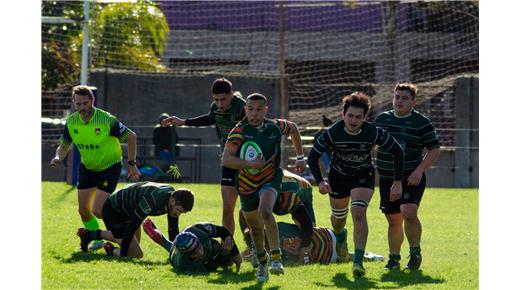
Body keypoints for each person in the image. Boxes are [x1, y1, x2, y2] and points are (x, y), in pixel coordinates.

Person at [307, 92, 404, 278]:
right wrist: (320, 181)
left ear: (365, 117)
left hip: (363, 175)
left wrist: (397, 182)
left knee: (358, 213)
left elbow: (397, 151)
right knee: (338, 220)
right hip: (338, 177)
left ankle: (358, 262)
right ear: (343, 114)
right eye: (350, 116)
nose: (353, 120)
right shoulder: (333, 132)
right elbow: (313, 156)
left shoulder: (373, 132)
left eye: (358, 117)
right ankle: (341, 237)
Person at [222, 93, 305, 282]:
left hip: (270, 178)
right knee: (256, 230)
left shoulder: (274, 126)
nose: (254, 114)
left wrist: (300, 157)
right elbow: (227, 159)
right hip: (246, 185)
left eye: (259, 110)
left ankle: (276, 258)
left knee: (266, 211)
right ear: (245, 110)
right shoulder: (239, 130)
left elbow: (293, 128)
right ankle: (262, 261)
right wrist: (250, 164)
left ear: (265, 110)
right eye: (250, 109)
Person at [50, 85, 141, 251]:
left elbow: (131, 137)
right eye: (78, 104)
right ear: (73, 103)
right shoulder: (72, 122)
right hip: (88, 168)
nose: (82, 108)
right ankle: (97, 239)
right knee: (84, 210)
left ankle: (125, 226)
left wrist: (131, 163)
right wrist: (57, 157)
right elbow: (63, 146)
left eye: (86, 103)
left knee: (98, 210)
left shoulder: (106, 120)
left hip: (109, 167)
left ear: (92, 100)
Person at [164, 78, 245, 236]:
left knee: (248, 209)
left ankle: (254, 247)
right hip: (228, 162)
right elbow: (209, 118)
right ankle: (228, 246)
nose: (220, 104)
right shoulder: (215, 107)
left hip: (245, 162)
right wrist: (183, 122)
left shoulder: (243, 108)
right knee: (228, 207)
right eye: (216, 100)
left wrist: (236, 151)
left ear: (232, 95)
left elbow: (252, 135)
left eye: (223, 99)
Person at [375, 83, 440, 271]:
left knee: (409, 213)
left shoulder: (422, 122)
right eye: (397, 97)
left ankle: (415, 254)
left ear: (413, 102)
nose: (399, 101)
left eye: (404, 98)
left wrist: (419, 170)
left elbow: (434, 149)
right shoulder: (382, 119)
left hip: (412, 177)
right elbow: (372, 143)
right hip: (387, 178)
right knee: (393, 219)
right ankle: (394, 259)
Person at [76, 181, 194, 258]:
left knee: (132, 242)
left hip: (129, 211)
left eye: (181, 213)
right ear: (173, 201)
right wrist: (123, 254)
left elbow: (173, 229)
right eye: (179, 211)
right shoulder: (152, 200)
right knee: (135, 254)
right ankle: (111, 250)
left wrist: (176, 254)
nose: (178, 214)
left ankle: (89, 235)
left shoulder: (172, 197)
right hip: (114, 211)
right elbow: (132, 226)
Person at [239, 169, 315, 266]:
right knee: (246, 214)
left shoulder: (289, 195)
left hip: (304, 189)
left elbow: (306, 223)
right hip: (280, 183)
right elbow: (244, 214)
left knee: (311, 234)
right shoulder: (255, 190)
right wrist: (250, 242)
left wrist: (304, 247)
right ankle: (253, 248)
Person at [143, 220, 242, 273]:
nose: (199, 252)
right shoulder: (185, 265)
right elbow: (210, 268)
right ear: (186, 255)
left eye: (198, 247)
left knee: (230, 259)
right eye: (193, 253)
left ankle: (159, 238)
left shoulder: (198, 230)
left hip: (186, 242)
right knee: (227, 262)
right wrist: (223, 253)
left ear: (197, 240)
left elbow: (222, 231)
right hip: (175, 256)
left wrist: (236, 254)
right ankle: (161, 240)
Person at [276, 222, 384, 265]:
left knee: (344, 257)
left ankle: (342, 236)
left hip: (325, 237)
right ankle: (370, 257)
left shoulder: (278, 227)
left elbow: (307, 224)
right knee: (345, 257)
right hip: (325, 255)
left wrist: (304, 249)